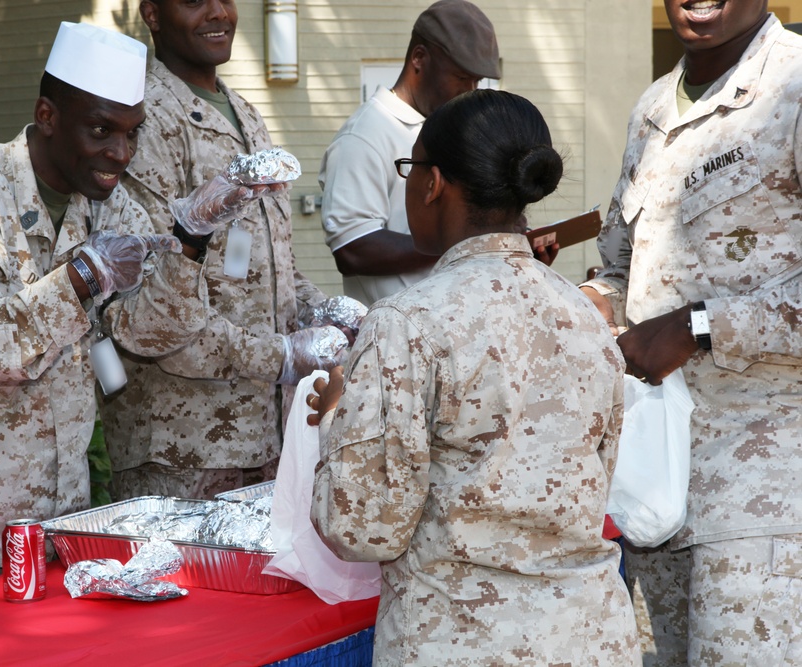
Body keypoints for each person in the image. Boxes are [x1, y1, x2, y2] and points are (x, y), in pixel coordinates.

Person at [0, 22, 209, 602]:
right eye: (102, 130)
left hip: (55, 522)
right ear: (48, 116)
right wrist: (79, 279)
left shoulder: (112, 205)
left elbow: (147, 333)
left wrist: (188, 244)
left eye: (132, 133)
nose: (120, 154)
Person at [308, 89, 639, 666]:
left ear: (433, 183)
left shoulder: (407, 322)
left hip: (462, 641)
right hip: (591, 637)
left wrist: (339, 411)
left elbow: (362, 525)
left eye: (410, 169)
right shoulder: (584, 314)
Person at [581, 2, 802, 665]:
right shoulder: (652, 109)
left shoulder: (792, 85)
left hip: (762, 501)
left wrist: (701, 326)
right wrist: (590, 302)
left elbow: (688, 318)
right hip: (655, 494)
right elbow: (620, 266)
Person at [99, 0, 364, 501]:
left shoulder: (244, 113)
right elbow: (155, 309)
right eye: (195, 1)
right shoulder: (143, 121)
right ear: (152, 13)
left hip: (269, 435)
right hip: (184, 443)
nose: (218, 12)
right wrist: (283, 356)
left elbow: (264, 264)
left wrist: (316, 307)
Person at [317, 0, 501, 306]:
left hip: (455, 329)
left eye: (477, 81)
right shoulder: (364, 135)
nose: (470, 90)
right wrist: (461, 243)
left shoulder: (450, 129)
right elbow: (353, 249)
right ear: (419, 58)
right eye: (461, 77)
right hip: (397, 343)